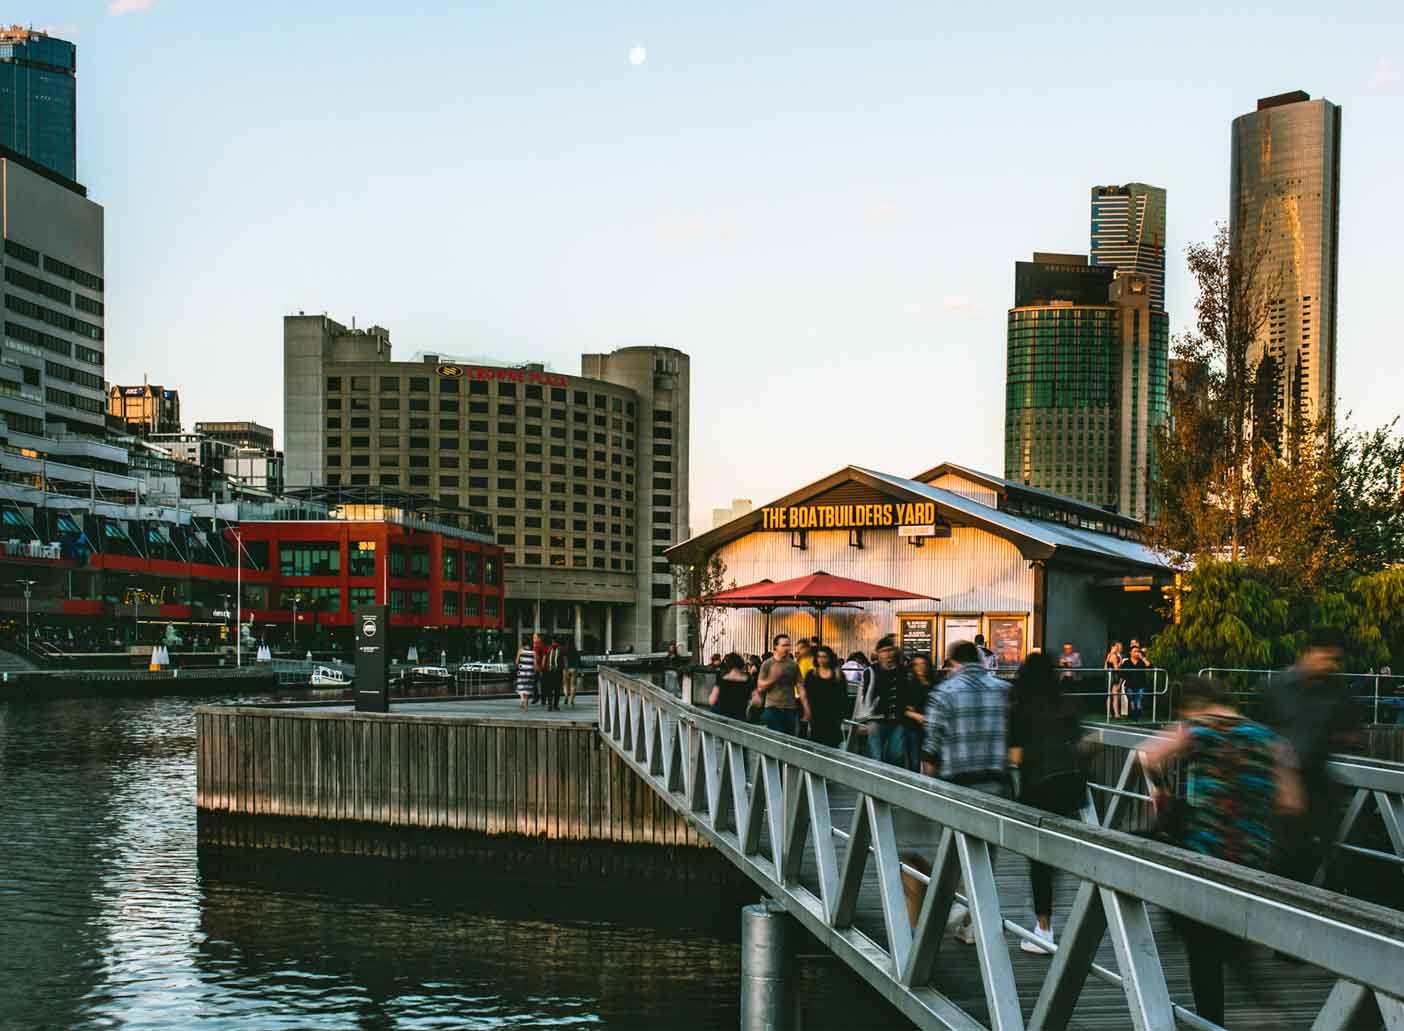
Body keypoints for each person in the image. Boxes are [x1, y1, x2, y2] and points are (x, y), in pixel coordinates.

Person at [1140, 676, 1303, 1026]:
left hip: (1205, 850)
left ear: (1195, 704)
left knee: (1203, 945)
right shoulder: (1270, 740)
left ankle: (1213, 1020)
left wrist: (1163, 793)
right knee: (1228, 936)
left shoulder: (1199, 729)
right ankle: (1265, 1005)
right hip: (1252, 853)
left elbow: (1149, 754)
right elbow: (1291, 802)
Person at [921, 640, 1011, 944]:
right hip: (995, 782)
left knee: (953, 853)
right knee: (986, 858)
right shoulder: (1003, 690)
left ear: (952, 663)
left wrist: (927, 785)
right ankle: (974, 923)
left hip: (956, 782)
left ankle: (957, 907)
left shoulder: (943, 692)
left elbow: (931, 746)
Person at [1260, 626, 1358, 887]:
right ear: (1308, 653)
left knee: (1327, 861)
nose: (1330, 665)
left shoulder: (1338, 691)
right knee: (1282, 862)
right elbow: (1259, 736)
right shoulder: (1276, 688)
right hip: (1279, 793)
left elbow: (1350, 736)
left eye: (1335, 659)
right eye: (1326, 657)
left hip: (1320, 792)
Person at [1008, 651, 1088, 954]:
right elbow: (1079, 744)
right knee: (1055, 855)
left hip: (1037, 788)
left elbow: (1015, 757)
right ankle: (1069, 916)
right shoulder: (1067, 705)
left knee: (1039, 861)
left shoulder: (1020, 709)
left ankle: (1044, 928)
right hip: (1068, 788)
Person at [856, 636, 911, 766]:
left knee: (896, 755)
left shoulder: (903, 671)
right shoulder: (870, 672)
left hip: (897, 719)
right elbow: (862, 697)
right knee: (876, 756)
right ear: (878, 653)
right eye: (884, 651)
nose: (888, 654)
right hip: (875, 719)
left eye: (891, 650)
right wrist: (861, 721)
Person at [756, 634, 807, 735]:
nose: (787, 648)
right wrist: (773, 678)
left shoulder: (793, 665)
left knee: (790, 740)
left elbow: (800, 686)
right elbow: (760, 686)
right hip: (772, 708)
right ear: (776, 647)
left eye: (788, 645)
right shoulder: (767, 664)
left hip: (790, 708)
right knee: (776, 740)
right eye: (783, 645)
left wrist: (806, 707)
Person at [803, 645, 847, 747]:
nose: (821, 660)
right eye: (819, 656)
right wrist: (807, 710)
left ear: (830, 658)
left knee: (832, 744)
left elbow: (843, 696)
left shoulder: (838, 675)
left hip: (833, 717)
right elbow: (806, 694)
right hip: (816, 715)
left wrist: (841, 715)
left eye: (824, 657)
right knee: (816, 744)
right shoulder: (811, 674)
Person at [905, 654, 937, 770]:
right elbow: (903, 708)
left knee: (930, 761)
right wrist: (916, 716)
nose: (920, 668)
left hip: (931, 727)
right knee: (914, 761)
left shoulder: (935, 683)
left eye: (923, 664)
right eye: (916, 665)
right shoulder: (909, 684)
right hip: (914, 727)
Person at [709, 653, 755, 721]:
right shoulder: (748, 680)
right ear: (741, 664)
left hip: (723, 719)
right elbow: (757, 701)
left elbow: (711, 700)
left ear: (727, 665)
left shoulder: (722, 680)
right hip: (740, 718)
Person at [1120, 643, 1150, 721]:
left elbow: (1150, 666)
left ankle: (1136, 714)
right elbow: (1122, 674)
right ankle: (1134, 717)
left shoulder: (1141, 662)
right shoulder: (1127, 662)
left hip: (1140, 685)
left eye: (1138, 651)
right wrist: (1120, 684)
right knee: (1132, 701)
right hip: (1129, 685)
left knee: (1139, 702)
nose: (1137, 653)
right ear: (1130, 653)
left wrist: (1142, 657)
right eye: (1135, 651)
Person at [541, 636, 565, 711]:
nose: (554, 644)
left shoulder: (557, 649)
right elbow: (564, 661)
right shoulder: (559, 649)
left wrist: (542, 669)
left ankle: (552, 705)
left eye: (554, 642)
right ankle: (553, 705)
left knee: (552, 689)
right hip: (553, 672)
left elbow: (544, 660)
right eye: (553, 642)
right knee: (554, 689)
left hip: (553, 671)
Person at [514, 635, 536, 711]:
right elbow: (535, 663)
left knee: (522, 688)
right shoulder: (533, 652)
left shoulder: (520, 650)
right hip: (530, 672)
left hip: (522, 672)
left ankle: (523, 702)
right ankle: (526, 704)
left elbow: (516, 662)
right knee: (527, 688)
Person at [1103, 641, 1125, 720]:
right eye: (1116, 646)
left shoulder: (1108, 655)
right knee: (1114, 696)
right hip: (1114, 676)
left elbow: (1105, 667)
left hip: (1109, 676)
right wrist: (1121, 662)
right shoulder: (1114, 656)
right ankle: (1116, 714)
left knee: (1110, 696)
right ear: (1113, 647)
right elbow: (1116, 668)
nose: (1118, 648)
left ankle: (1110, 713)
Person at [563, 637, 582, 707]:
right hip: (574, 669)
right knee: (573, 685)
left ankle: (566, 696)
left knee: (565, 684)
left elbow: (563, 660)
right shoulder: (576, 651)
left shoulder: (565, 651)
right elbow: (579, 662)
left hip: (566, 669)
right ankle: (571, 700)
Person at [531, 632, 546, 704]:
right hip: (540, 666)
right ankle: (542, 699)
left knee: (534, 682)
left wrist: (537, 666)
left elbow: (537, 657)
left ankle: (536, 697)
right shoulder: (541, 645)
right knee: (542, 683)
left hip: (538, 667)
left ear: (539, 638)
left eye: (535, 637)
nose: (533, 639)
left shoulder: (537, 645)